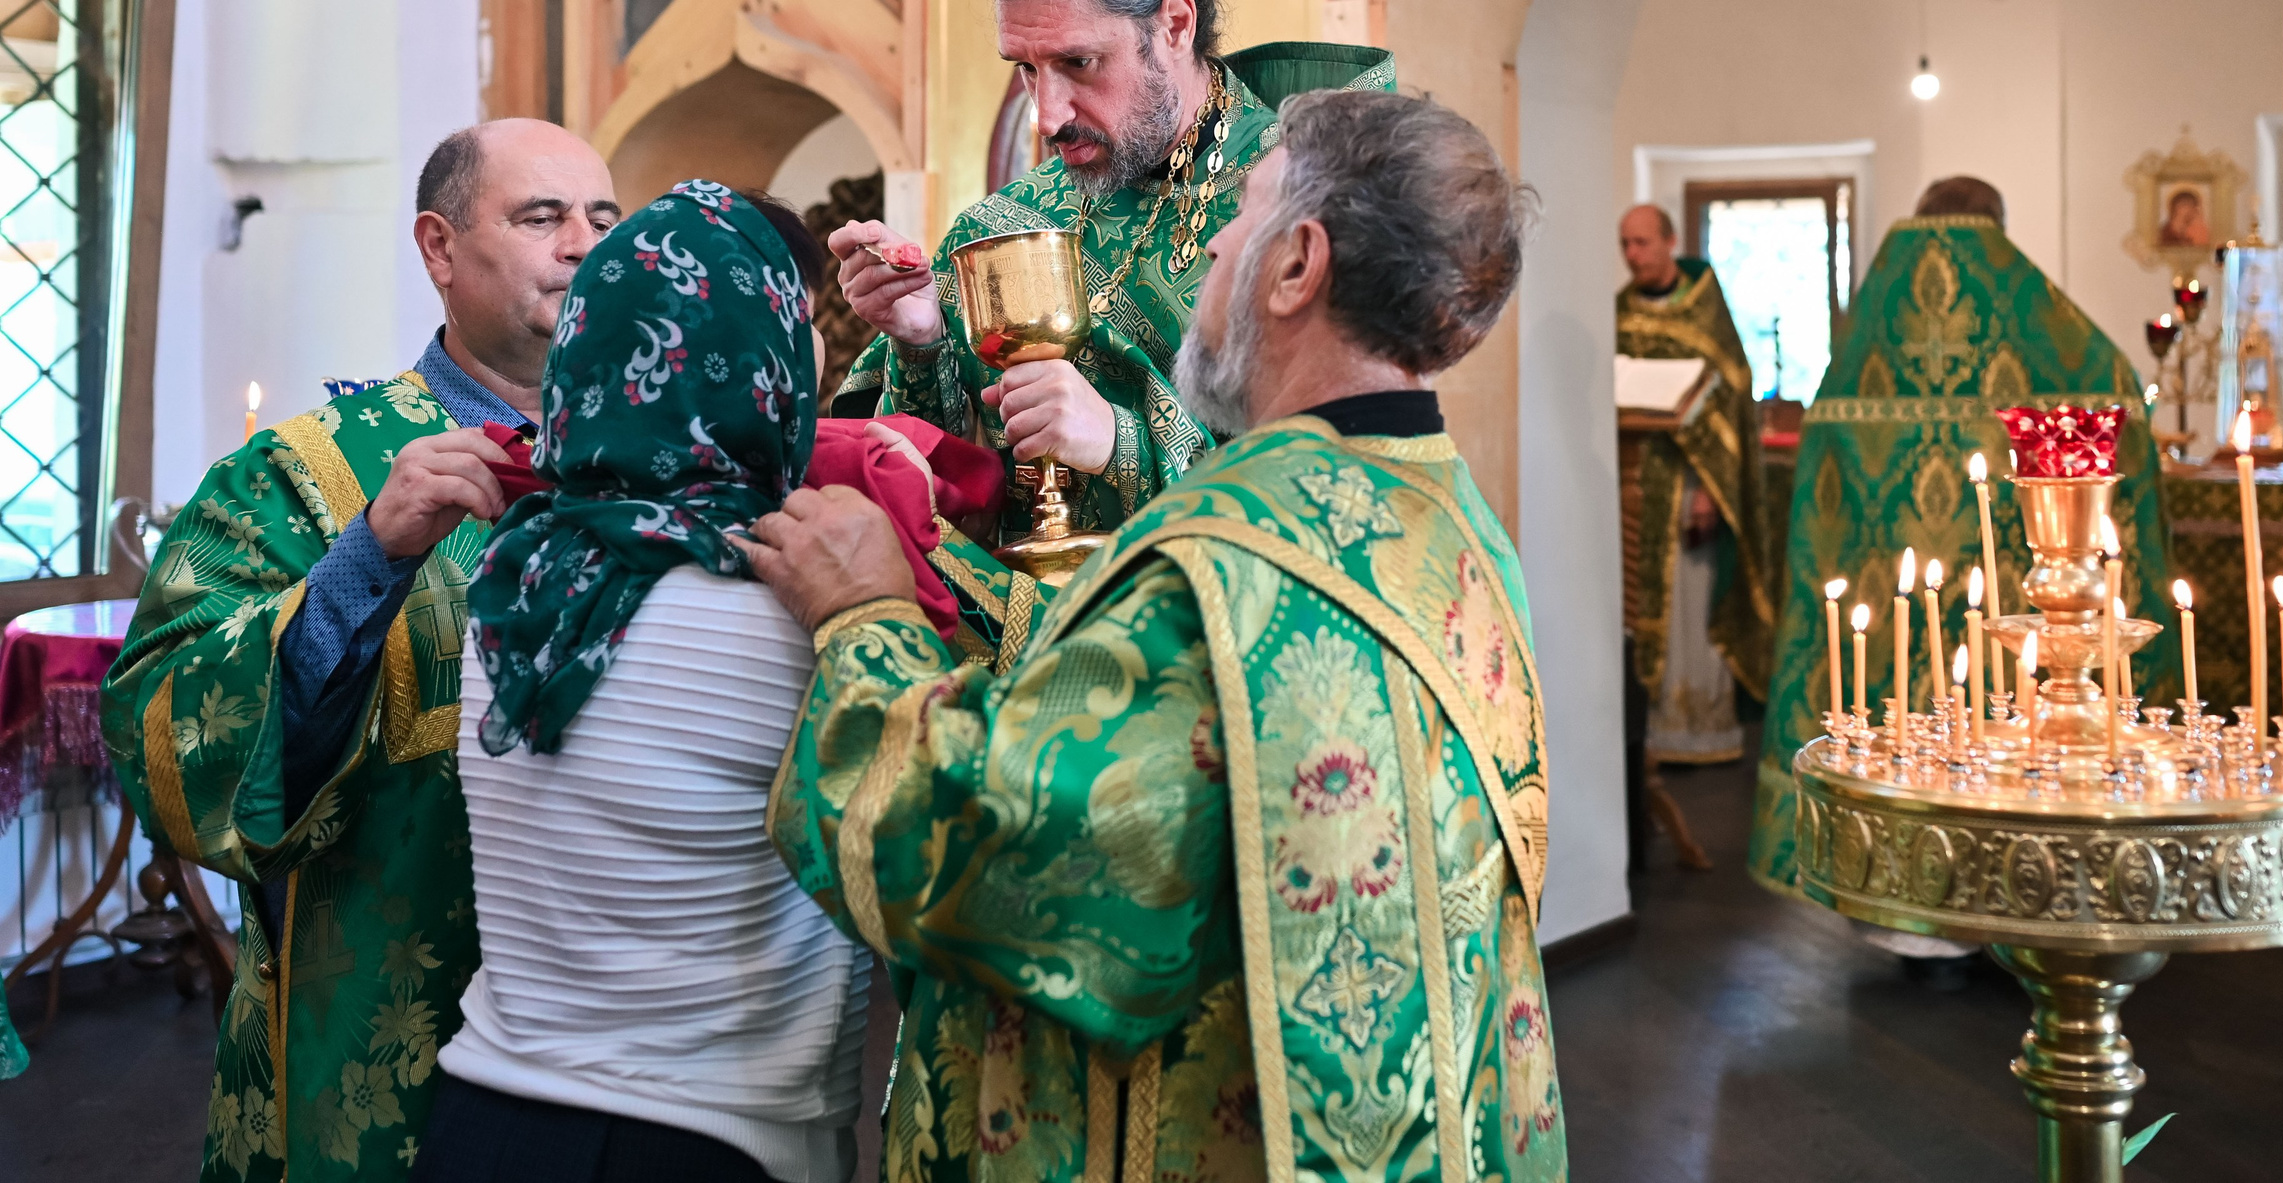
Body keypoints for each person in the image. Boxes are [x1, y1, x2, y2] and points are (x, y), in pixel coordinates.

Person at [751, 90, 1568, 1181]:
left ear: (1297, 266)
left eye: (1241, 218)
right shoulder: (1457, 525)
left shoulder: (1225, 559)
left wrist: (866, 616)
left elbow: (977, 847)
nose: (1216, 249)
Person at [102, 119, 621, 1181]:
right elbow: (163, 729)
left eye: (604, 220)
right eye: (542, 216)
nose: (584, 244)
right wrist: (362, 562)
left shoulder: (662, 460)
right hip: (379, 1040)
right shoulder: (300, 474)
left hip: (631, 1043)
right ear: (439, 247)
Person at [411, 181, 871, 1183]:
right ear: (769, 369)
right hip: (702, 1138)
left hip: (482, 1118)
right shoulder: (798, 613)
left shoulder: (515, 584)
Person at [829, 0, 1391, 646]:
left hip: (1220, 647)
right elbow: (935, 496)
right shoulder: (1006, 224)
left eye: (1078, 63)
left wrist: (1122, 443)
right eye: (1026, 70)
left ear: (1175, 25)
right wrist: (920, 338)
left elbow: (1344, 482)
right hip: (1030, 663)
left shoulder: (1306, 203)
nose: (1047, 114)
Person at [1746, 175, 2176, 911]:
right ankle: (2015, 888)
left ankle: (1899, 897)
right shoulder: (2053, 341)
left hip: (1890, 600)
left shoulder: (1861, 354)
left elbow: (1820, 502)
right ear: (1999, 230)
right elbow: (2119, 411)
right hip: (2008, 595)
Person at [1615, 204, 1774, 765]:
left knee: (1691, 603)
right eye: (1625, 244)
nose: (1632, 255)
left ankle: (1699, 732)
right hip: (1632, 482)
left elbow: (1729, 400)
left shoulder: (1705, 310)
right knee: (1633, 607)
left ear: (1670, 241)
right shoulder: (1618, 311)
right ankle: (1646, 735)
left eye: (1642, 242)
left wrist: (1711, 487)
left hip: (1689, 481)